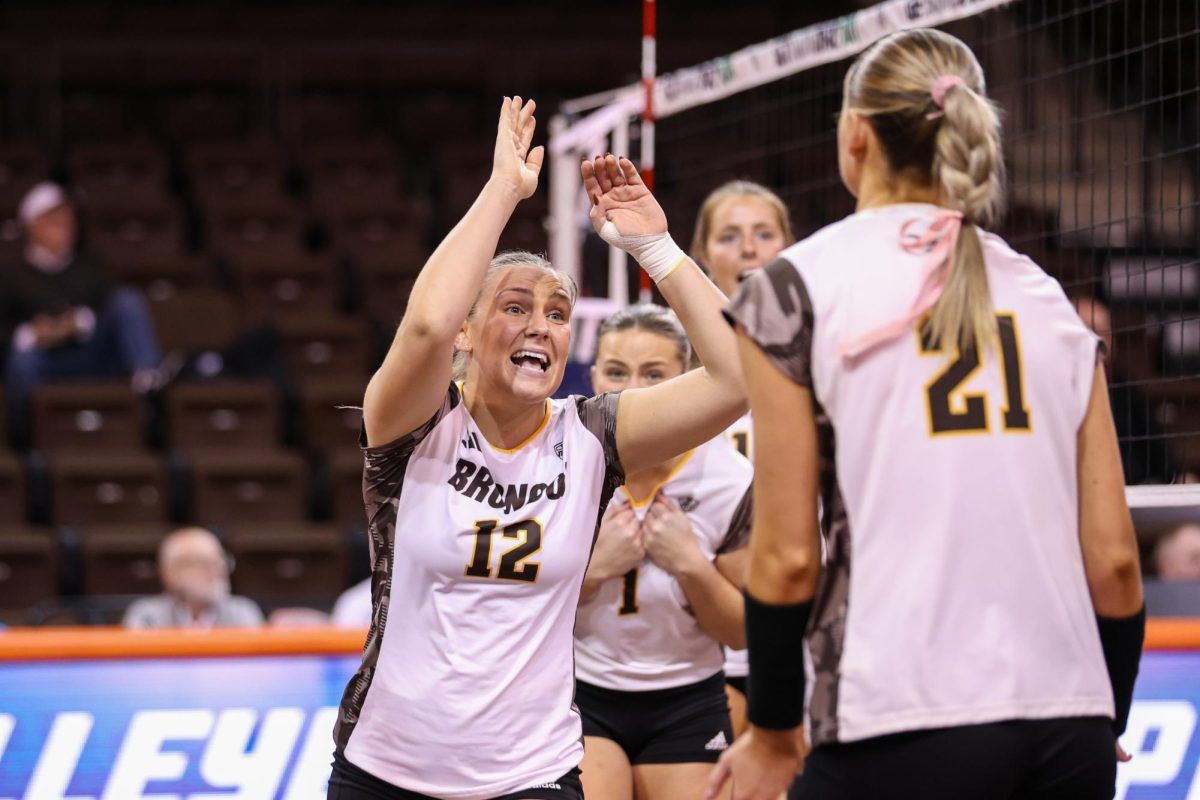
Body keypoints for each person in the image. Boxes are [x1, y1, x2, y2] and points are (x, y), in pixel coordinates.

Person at [707, 29, 1145, 800]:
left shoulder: (795, 287)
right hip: (1069, 724)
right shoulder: (1051, 301)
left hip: (897, 715)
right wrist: (1104, 717)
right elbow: (1113, 560)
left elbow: (786, 556)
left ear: (855, 135)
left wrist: (773, 733)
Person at [328, 97, 746, 800]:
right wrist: (503, 192)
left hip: (533, 775)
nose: (541, 327)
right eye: (516, 307)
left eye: (556, 313)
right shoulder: (412, 431)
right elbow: (428, 326)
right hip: (386, 770)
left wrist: (656, 248)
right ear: (470, 332)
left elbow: (738, 378)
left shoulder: (589, 433)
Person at [574, 303, 751, 800]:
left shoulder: (730, 480)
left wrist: (691, 566)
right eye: (616, 372)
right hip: (580, 693)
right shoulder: (561, 465)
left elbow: (740, 633)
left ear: (690, 379)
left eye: (655, 374)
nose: (633, 390)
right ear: (592, 376)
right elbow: (512, 611)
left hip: (689, 699)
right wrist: (593, 570)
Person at [690, 180, 795, 734]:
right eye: (730, 237)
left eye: (763, 234)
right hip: (707, 638)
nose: (749, 249)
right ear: (703, 255)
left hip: (807, 628)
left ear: (787, 245)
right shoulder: (675, 356)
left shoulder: (824, 351)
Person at [1, 182, 165, 416]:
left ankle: (150, 389)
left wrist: (79, 321)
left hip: (91, 352)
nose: (65, 226)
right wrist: (32, 334)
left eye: (68, 219)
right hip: (45, 359)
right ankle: (26, 436)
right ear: (32, 225)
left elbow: (108, 304)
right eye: (54, 220)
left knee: (128, 300)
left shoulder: (91, 266)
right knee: (22, 360)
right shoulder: (10, 276)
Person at [123, 527, 263, 629]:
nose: (218, 570)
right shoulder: (148, 617)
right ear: (171, 573)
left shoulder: (242, 613)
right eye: (204, 563)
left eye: (221, 561)